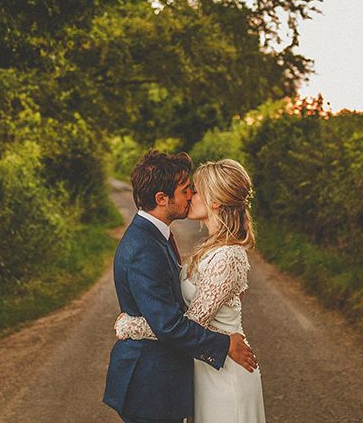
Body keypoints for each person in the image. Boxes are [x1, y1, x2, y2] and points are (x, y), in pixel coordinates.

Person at [103, 151, 257, 423]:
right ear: (162, 199)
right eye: (188, 190)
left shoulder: (224, 255)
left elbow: (183, 321)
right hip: (151, 383)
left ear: (217, 203)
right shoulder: (145, 247)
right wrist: (223, 343)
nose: (191, 196)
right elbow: (172, 324)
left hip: (216, 375)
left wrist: (131, 325)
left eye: (196, 190)